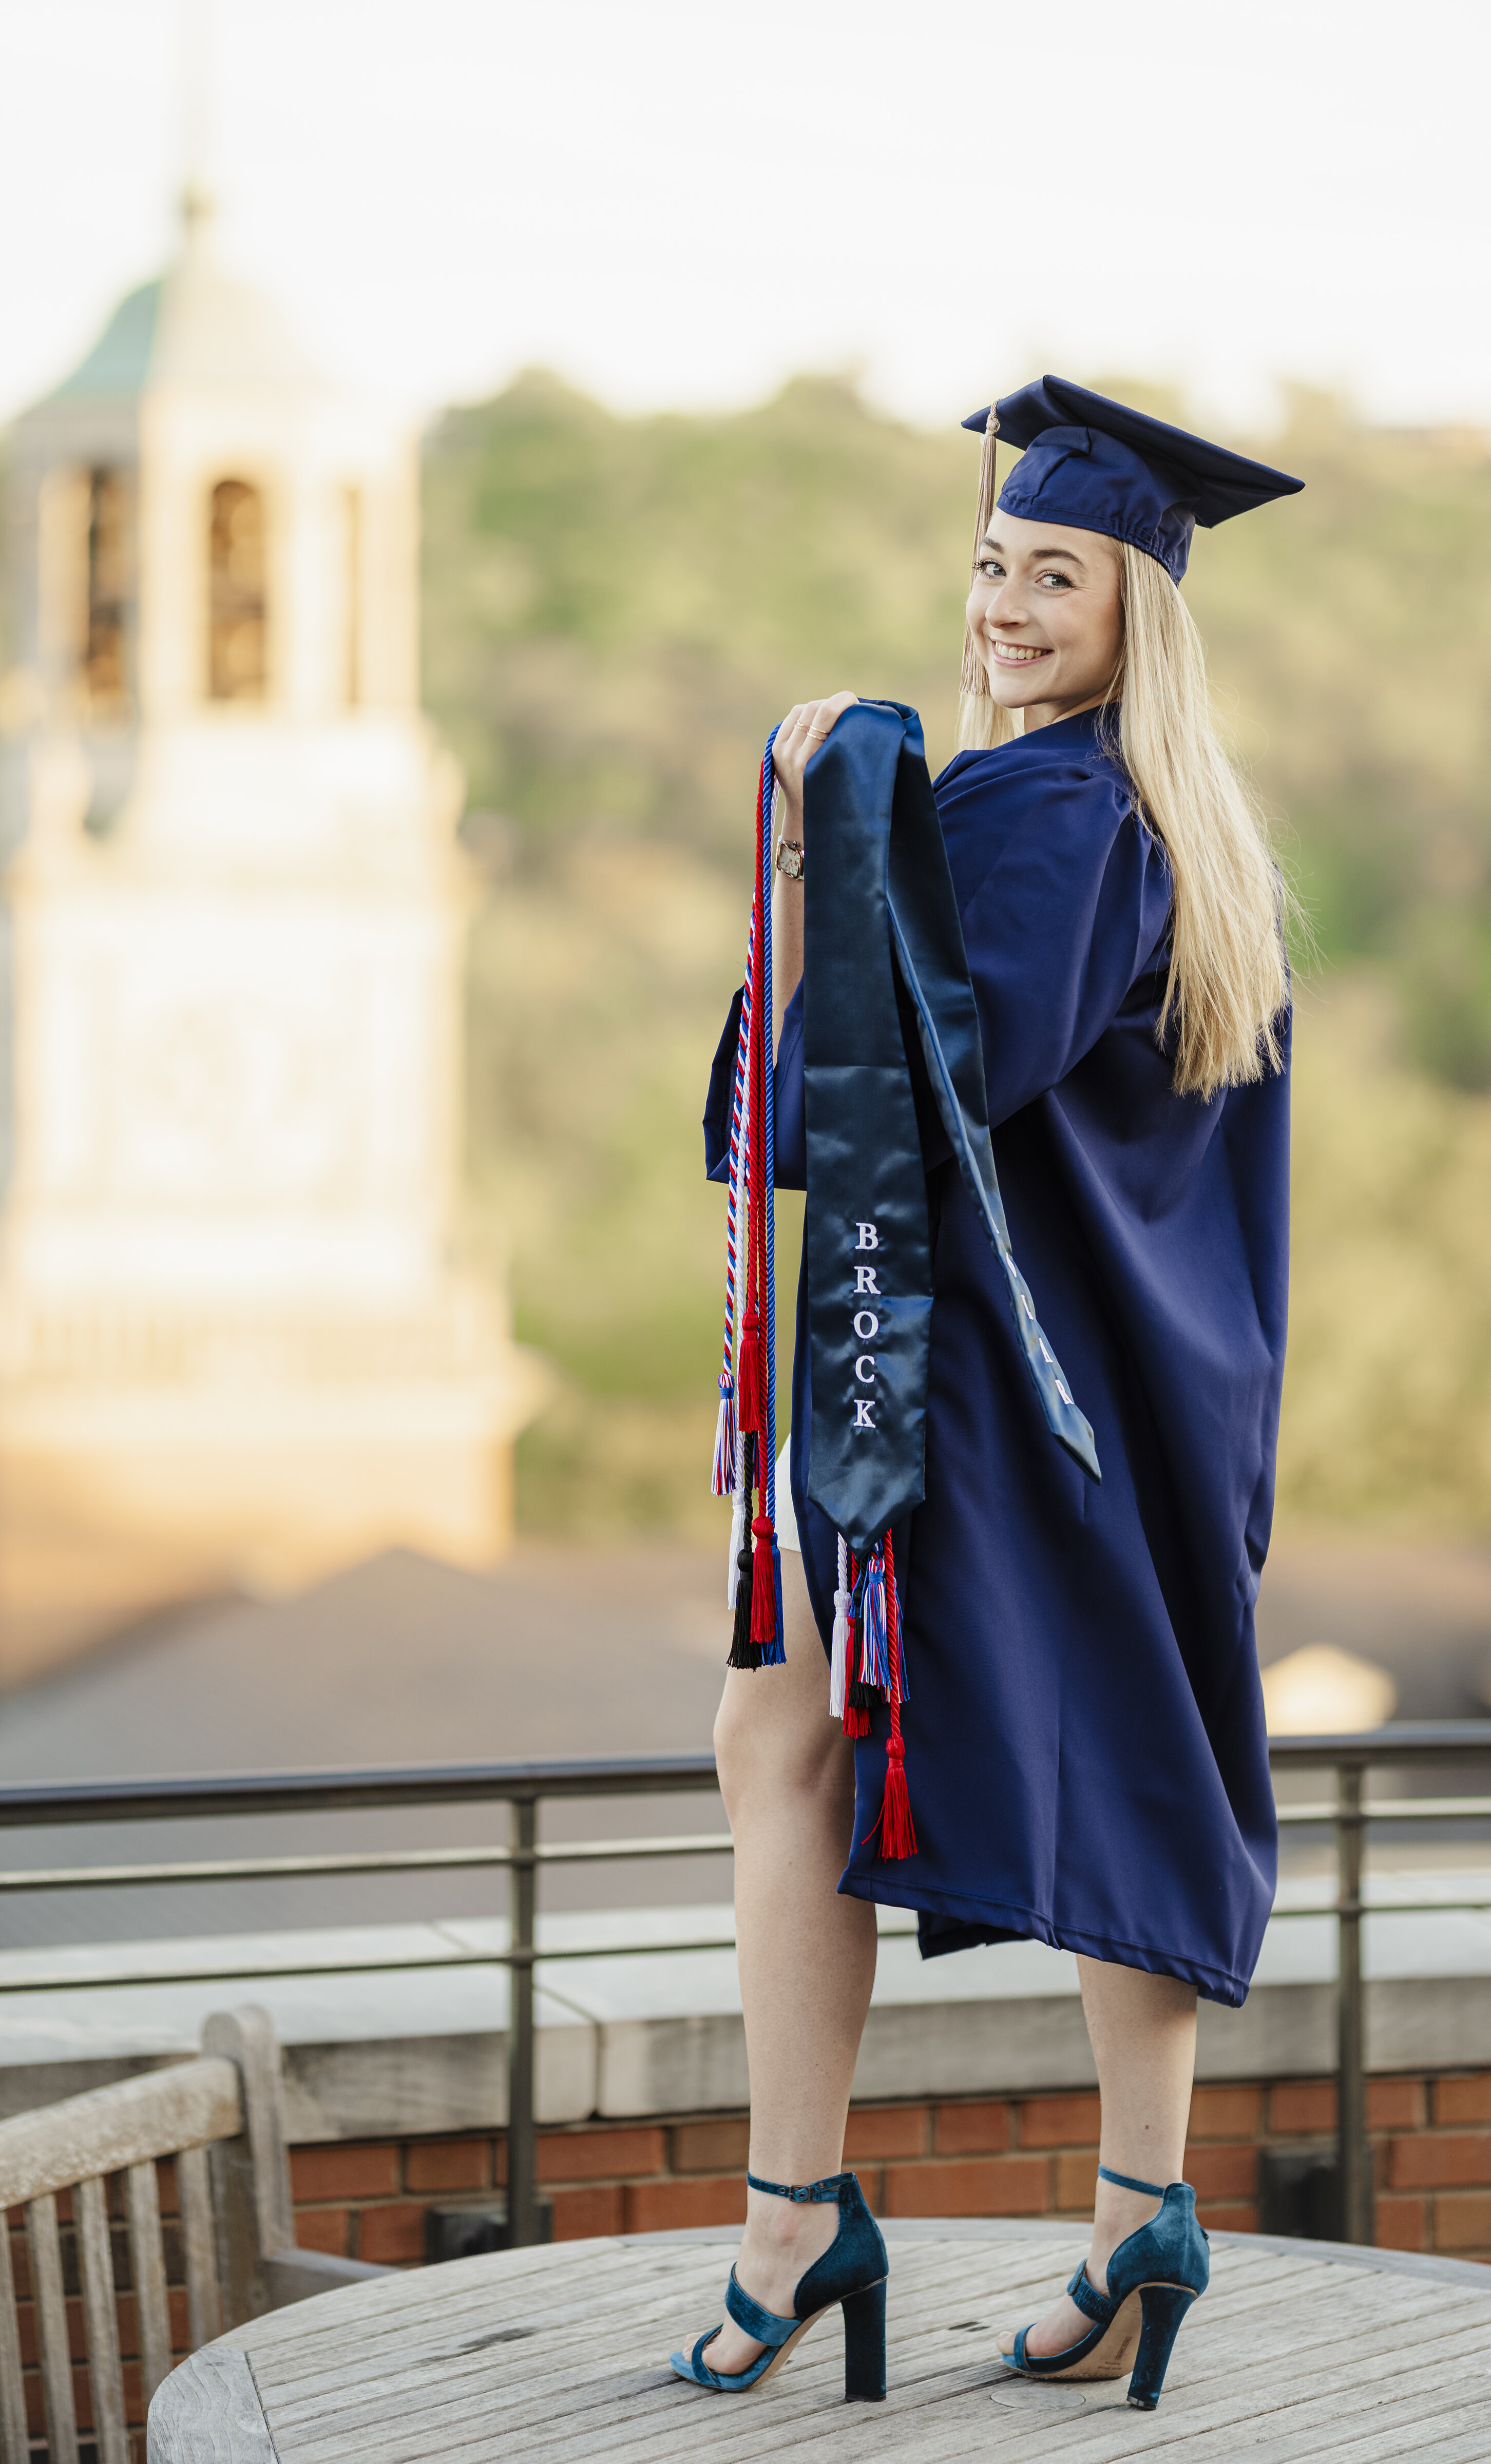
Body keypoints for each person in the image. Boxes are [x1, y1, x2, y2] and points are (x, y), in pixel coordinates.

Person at [675, 378, 1301, 2411]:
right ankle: (1136, 2215)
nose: (1003, 607)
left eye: (1057, 574)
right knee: (1124, 1753)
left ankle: (796, 2215)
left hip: (983, 1403)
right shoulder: (1161, 822)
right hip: (1134, 1401)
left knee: (777, 1734)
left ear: (1139, 615)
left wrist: (808, 834)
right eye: (990, 565)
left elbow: (887, 1101)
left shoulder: (1039, 814)